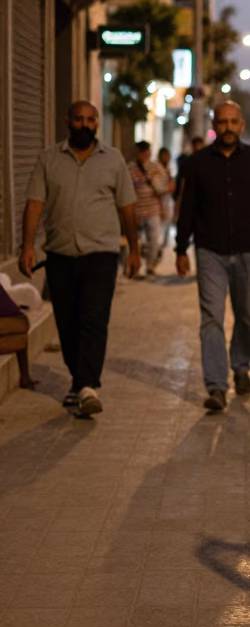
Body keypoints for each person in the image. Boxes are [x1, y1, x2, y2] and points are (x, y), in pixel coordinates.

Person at [18, 100, 140, 417]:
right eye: (78, 119)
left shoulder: (113, 160)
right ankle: (78, 380)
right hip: (60, 254)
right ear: (67, 121)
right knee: (68, 321)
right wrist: (27, 246)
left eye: (90, 120)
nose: (84, 124)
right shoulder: (48, 159)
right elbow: (34, 203)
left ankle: (88, 386)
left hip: (101, 254)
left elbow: (128, 207)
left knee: (94, 319)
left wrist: (135, 251)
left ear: (97, 124)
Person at [176, 100, 250, 411]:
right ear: (214, 124)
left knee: (246, 316)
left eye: (234, 122)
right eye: (222, 122)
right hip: (210, 251)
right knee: (211, 319)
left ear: (241, 125)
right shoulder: (197, 163)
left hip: (249, 250)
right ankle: (216, 386)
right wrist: (181, 249)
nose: (228, 128)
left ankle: (241, 368)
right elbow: (187, 209)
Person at [127, 141, 169, 277]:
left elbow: (165, 184)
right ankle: (136, 267)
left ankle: (150, 266)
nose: (144, 154)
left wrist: (162, 193)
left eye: (146, 151)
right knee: (138, 241)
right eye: (142, 151)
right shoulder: (130, 168)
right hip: (137, 211)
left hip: (153, 209)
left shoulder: (155, 167)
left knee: (154, 240)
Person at [173, 135, 204, 221]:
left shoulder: (208, 163)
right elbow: (182, 181)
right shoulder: (188, 162)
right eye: (196, 146)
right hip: (189, 199)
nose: (197, 148)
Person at [157, 146, 175, 248]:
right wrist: (169, 187)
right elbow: (158, 190)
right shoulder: (157, 169)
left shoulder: (167, 169)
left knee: (164, 236)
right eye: (165, 156)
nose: (167, 158)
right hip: (161, 205)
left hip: (167, 204)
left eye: (168, 156)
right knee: (159, 235)